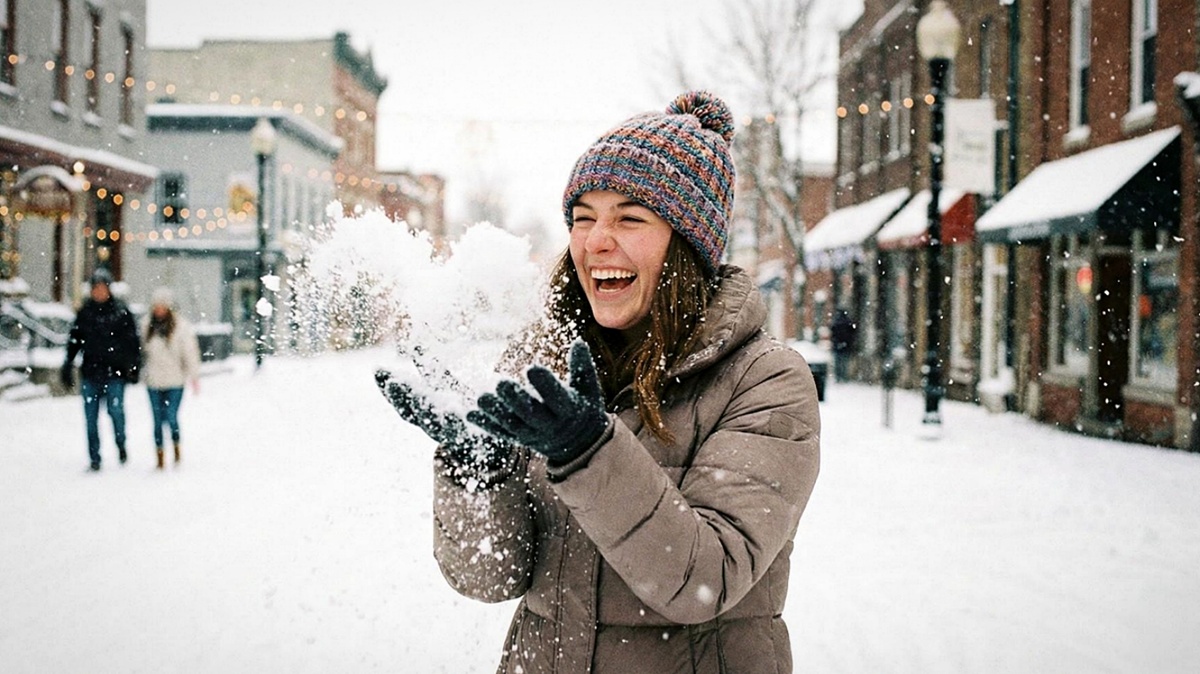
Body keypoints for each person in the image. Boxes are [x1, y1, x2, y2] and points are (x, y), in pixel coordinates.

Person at [376, 91, 821, 673]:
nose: (595, 240)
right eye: (582, 218)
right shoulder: (543, 361)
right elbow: (490, 578)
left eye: (629, 218)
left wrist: (591, 454)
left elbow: (701, 581)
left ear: (688, 244)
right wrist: (477, 475)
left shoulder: (764, 382)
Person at [61, 268, 141, 472]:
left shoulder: (121, 312)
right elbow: (74, 341)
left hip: (115, 374)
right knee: (90, 418)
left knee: (116, 412)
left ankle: (120, 443)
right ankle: (94, 457)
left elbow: (132, 342)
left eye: (102, 288)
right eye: (96, 288)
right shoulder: (86, 313)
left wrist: (133, 367)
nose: (99, 292)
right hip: (91, 373)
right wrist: (68, 364)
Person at [140, 287, 201, 470]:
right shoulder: (146, 326)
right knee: (157, 420)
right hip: (154, 381)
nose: (159, 310)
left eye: (163, 306)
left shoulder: (181, 327)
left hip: (175, 381)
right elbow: (142, 352)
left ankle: (176, 447)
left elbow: (190, 353)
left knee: (172, 417)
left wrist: (194, 376)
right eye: (156, 306)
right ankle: (159, 456)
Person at [829, 308, 857, 382]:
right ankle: (844, 377)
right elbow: (853, 333)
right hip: (846, 346)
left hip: (838, 346)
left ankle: (839, 377)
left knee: (838, 363)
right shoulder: (848, 322)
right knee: (844, 363)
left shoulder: (836, 322)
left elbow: (833, 333)